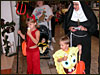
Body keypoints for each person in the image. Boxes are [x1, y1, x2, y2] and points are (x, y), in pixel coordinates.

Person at [64, 1, 98, 74]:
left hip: (85, 39)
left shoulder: (88, 13)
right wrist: (70, 28)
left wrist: (86, 29)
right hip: (73, 38)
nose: (74, 6)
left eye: (76, 5)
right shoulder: (71, 13)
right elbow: (66, 24)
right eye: (73, 4)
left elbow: (94, 26)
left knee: (85, 57)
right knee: (73, 56)